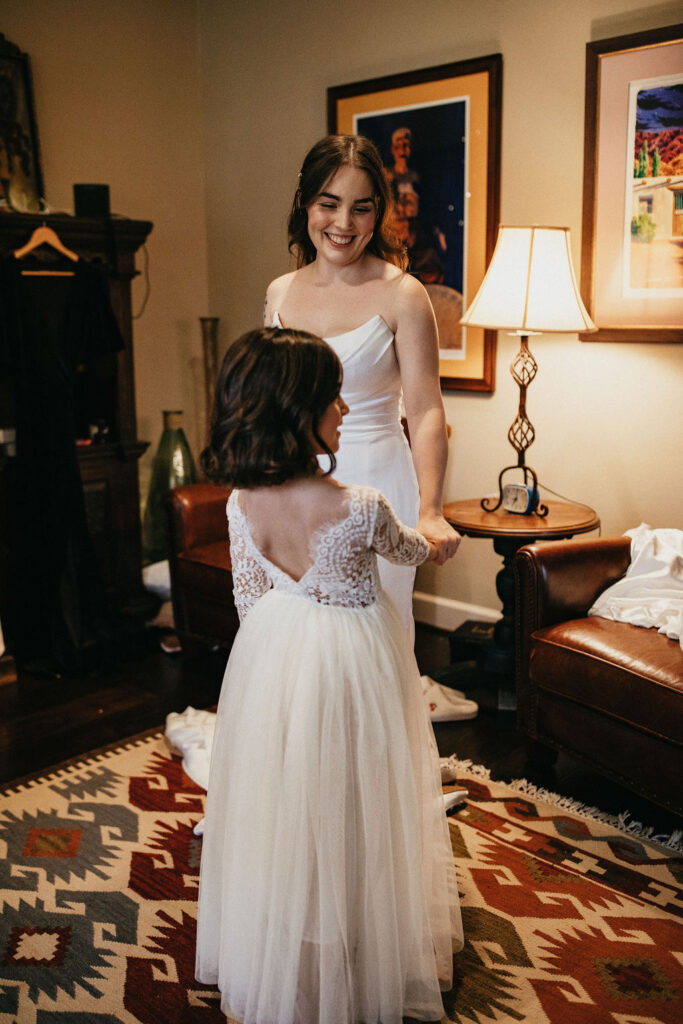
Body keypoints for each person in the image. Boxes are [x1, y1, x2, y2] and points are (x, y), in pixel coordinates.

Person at [194, 326, 463, 1024]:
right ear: (294, 409)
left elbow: (248, 600)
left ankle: (287, 931)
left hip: (271, 659)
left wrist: (272, 663)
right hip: (351, 666)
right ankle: (356, 933)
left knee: (288, 791)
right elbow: (408, 550)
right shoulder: (361, 506)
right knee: (357, 790)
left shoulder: (238, 502)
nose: (344, 409)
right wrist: (438, 540)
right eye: (330, 397)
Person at [264, 133, 461, 634]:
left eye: (361, 208)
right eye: (329, 204)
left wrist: (431, 510)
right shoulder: (279, 293)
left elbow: (426, 410)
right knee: (301, 636)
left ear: (379, 214)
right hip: (295, 486)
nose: (343, 224)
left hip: (378, 479)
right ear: (305, 203)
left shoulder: (404, 294)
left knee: (376, 638)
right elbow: (271, 405)